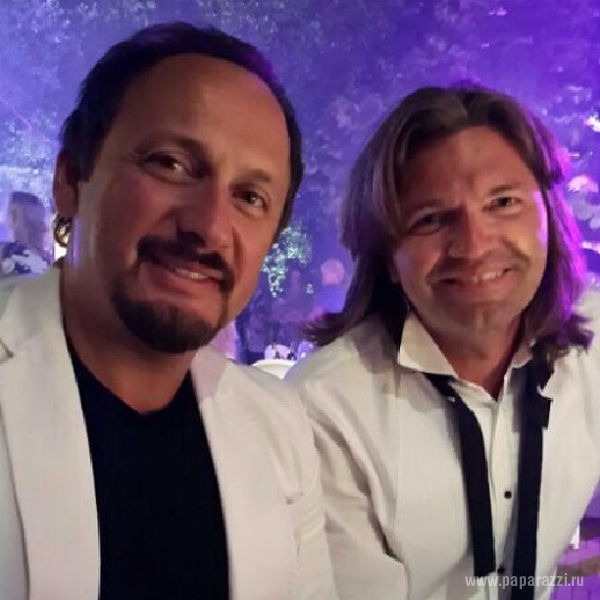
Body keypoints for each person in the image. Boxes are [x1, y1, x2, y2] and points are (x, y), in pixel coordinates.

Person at [0, 22, 336, 600]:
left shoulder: (277, 426)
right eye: (171, 164)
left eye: (250, 197)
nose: (209, 227)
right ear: (70, 180)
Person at [287, 83, 600, 600]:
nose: (474, 247)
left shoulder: (590, 338)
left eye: (502, 202)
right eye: (431, 219)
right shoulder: (326, 410)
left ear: (549, 213)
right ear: (388, 256)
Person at [0, 191, 52, 278]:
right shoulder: (4, 253)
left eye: (40, 224)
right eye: (30, 224)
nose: (43, 230)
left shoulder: (46, 259)